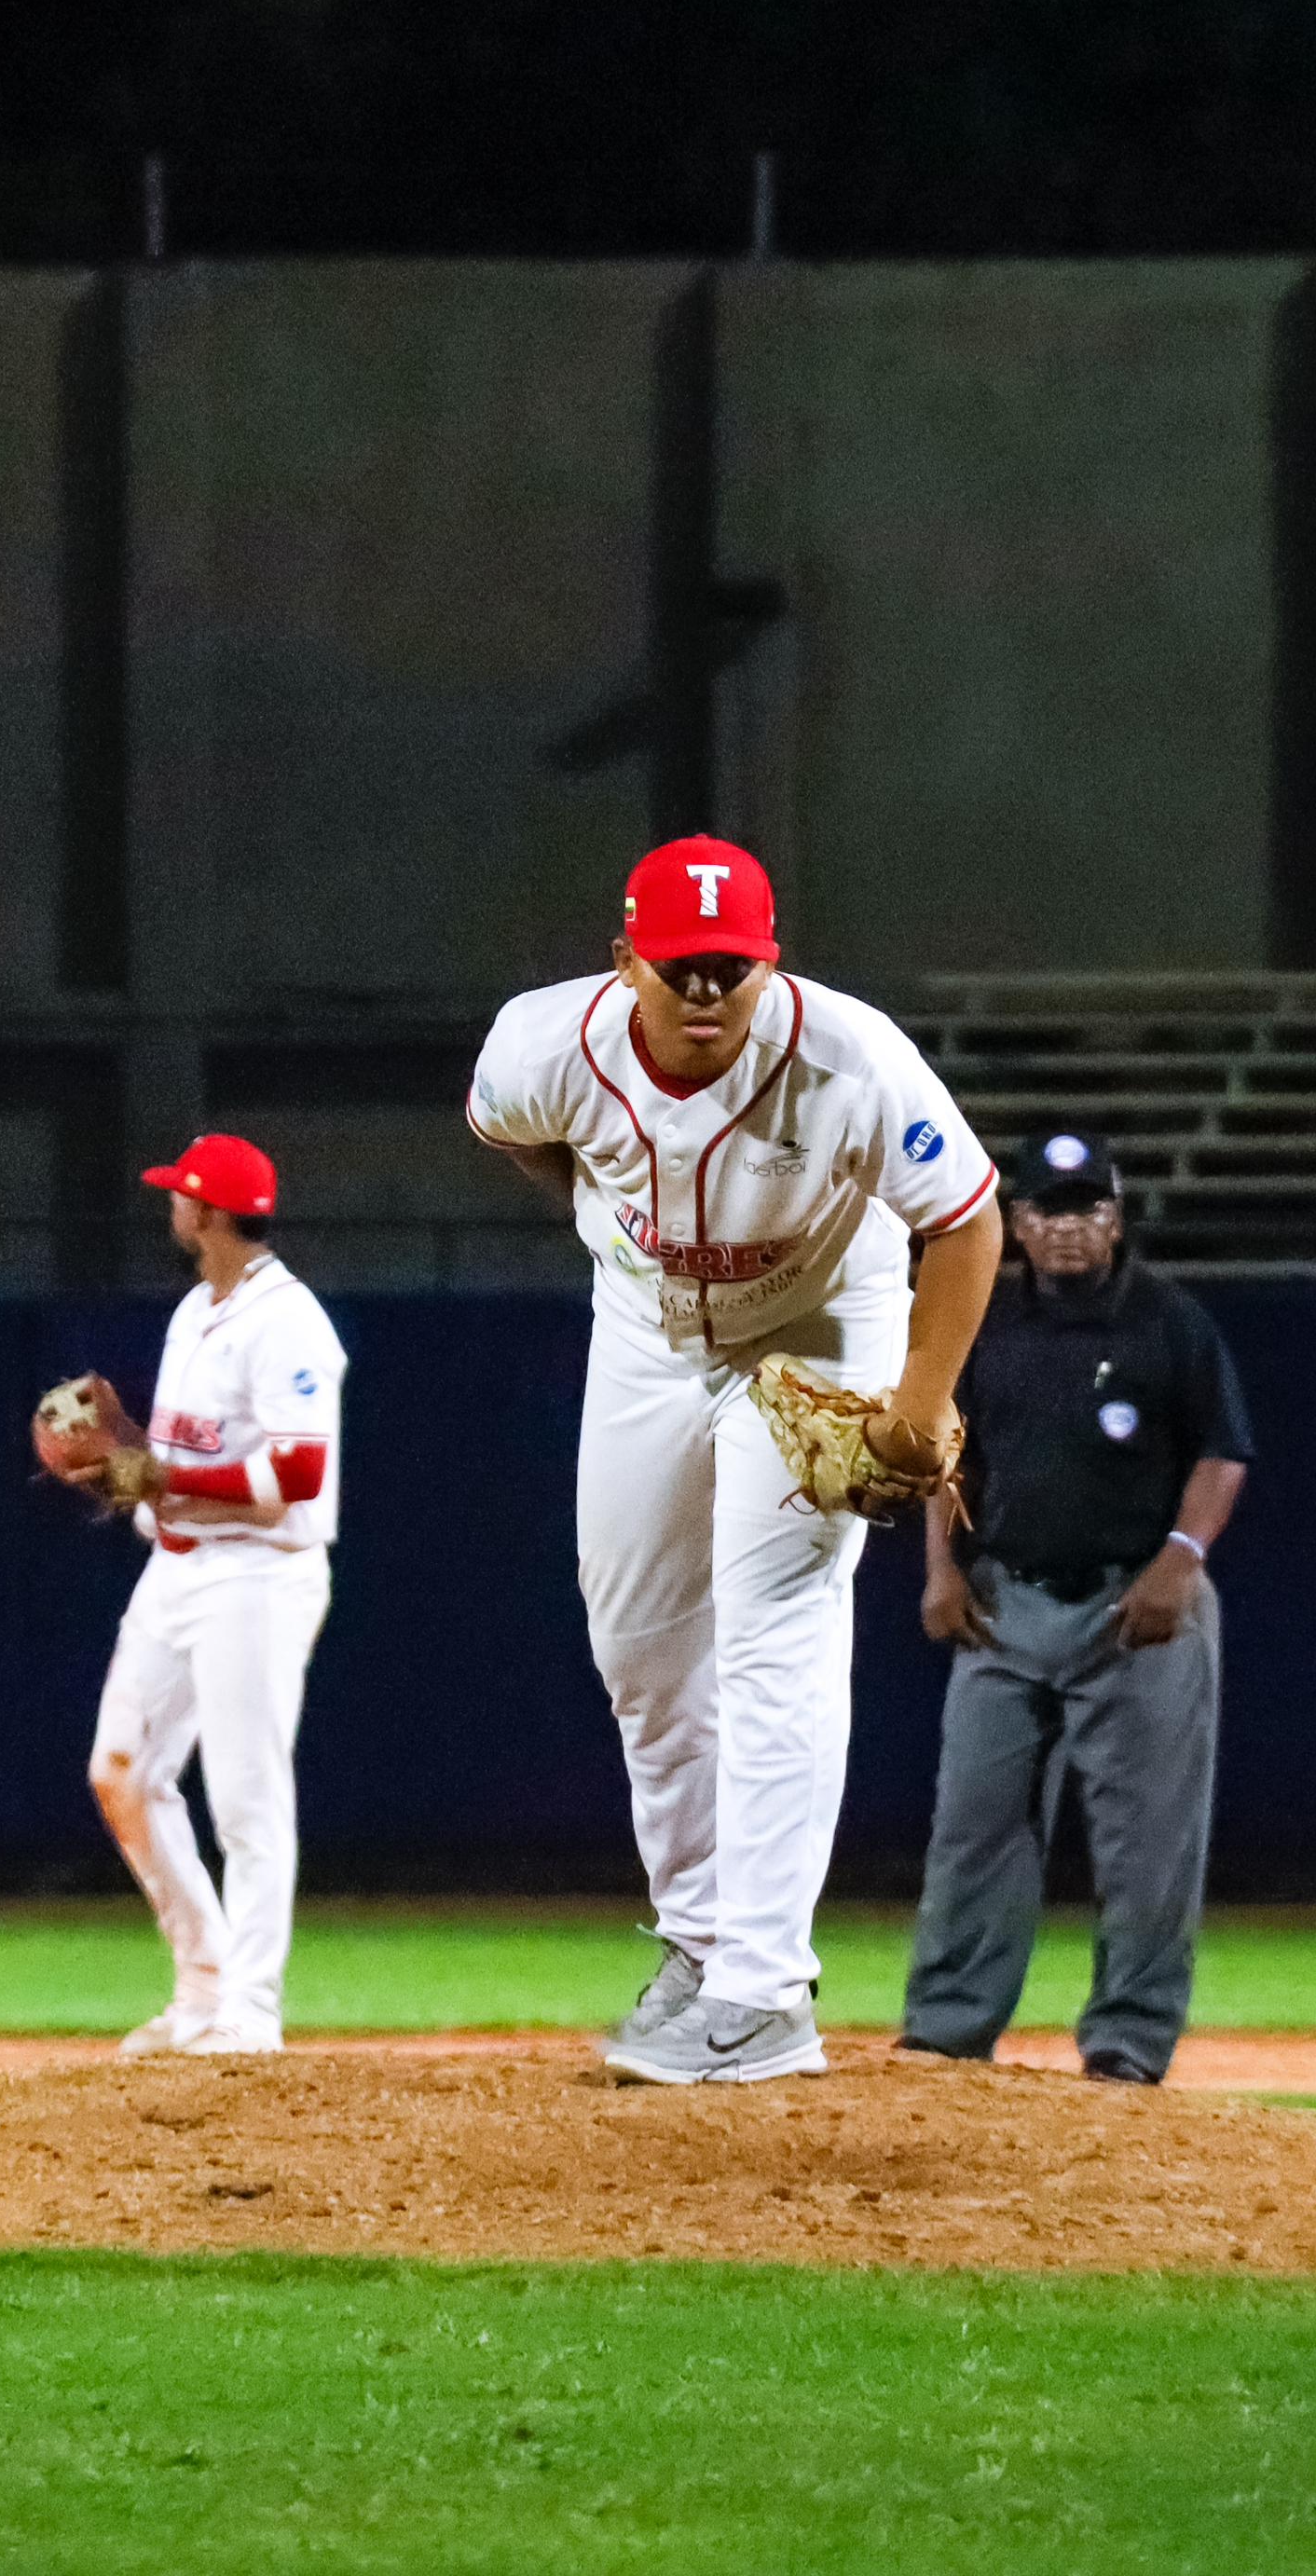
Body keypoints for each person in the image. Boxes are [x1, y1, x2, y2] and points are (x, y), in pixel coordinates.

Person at [468, 835, 1003, 2083]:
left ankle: (763, 1991)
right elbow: (510, 1131)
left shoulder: (851, 1057)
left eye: (731, 966)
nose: (705, 990)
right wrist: (603, 1208)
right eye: (680, 966)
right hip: (646, 1327)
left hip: (823, 1322)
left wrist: (918, 1406)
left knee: (775, 1627)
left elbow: (968, 1222)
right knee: (639, 1647)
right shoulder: (543, 1049)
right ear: (625, 961)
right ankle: (702, 1945)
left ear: (771, 964)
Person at [899, 1130, 1252, 2085]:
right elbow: (945, 1451)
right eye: (1047, 1209)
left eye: (1085, 1207)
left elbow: (1222, 1452)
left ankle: (1128, 2050)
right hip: (1003, 1601)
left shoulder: (1167, 1321)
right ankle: (945, 2037)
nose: (1066, 1227)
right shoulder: (983, 1318)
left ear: (1116, 1218)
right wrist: (940, 1569)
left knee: (1147, 1847)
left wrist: (1180, 1561)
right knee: (973, 1831)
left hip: (1134, 1609)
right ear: (1016, 1223)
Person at [85, 1132, 350, 2058]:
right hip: (179, 1568)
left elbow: (297, 1475)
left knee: (246, 1799)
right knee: (121, 1771)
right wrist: (127, 1463)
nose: (170, 1205)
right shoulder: (197, 1309)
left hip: (257, 1576)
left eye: (178, 1194)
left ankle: (251, 2011)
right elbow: (179, 1462)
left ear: (205, 1211)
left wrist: (162, 1479)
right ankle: (203, 1984)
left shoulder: (289, 1322)